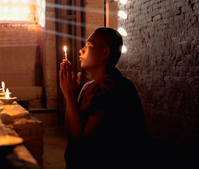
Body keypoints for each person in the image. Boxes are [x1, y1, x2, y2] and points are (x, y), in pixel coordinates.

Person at [59, 27, 149, 167]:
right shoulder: (90, 86)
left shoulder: (111, 88)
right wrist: (72, 97)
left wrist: (70, 97)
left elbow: (80, 141)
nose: (81, 50)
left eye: (88, 46)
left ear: (104, 52)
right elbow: (70, 134)